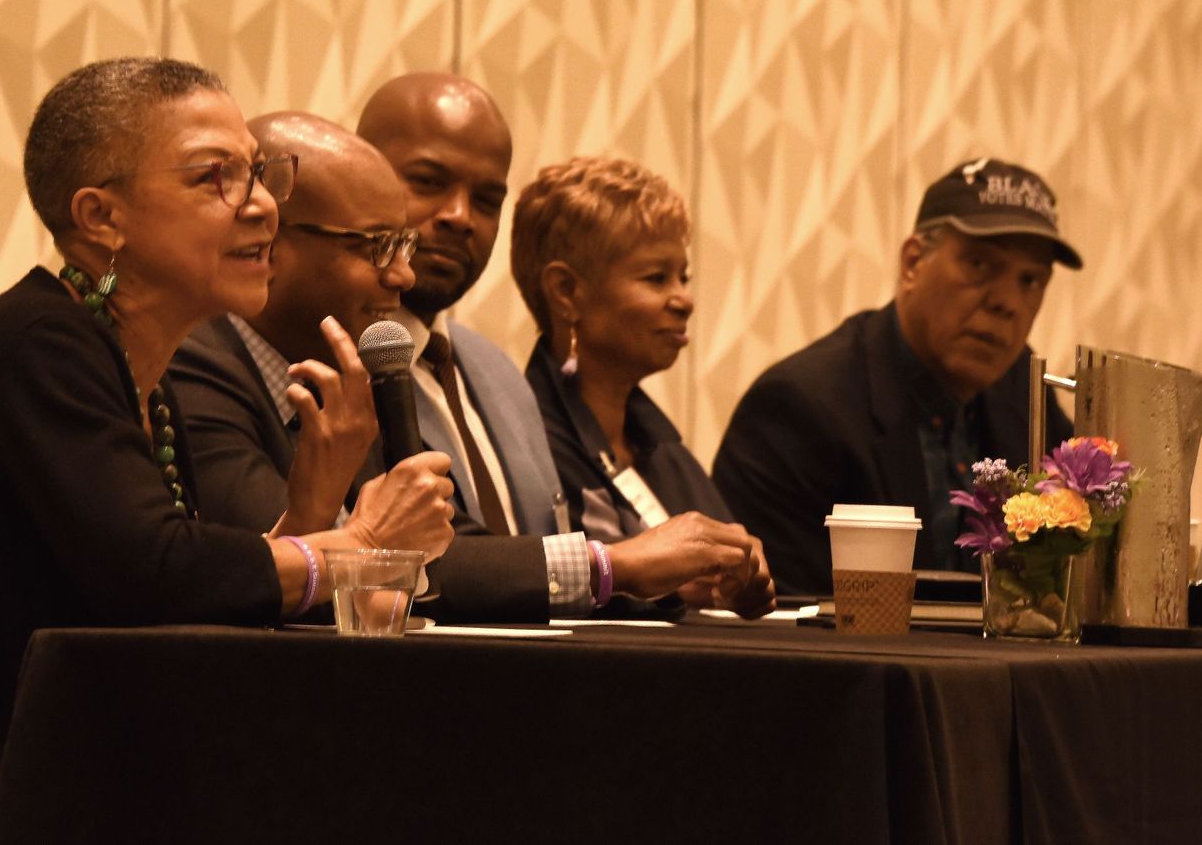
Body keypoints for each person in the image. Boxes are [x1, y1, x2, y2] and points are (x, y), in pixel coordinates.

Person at [0, 59, 454, 845]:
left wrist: (312, 511)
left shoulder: (137, 373)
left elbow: (178, 607)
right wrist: (352, 548)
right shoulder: (35, 349)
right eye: (215, 178)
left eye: (258, 174)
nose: (260, 209)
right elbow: (158, 572)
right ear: (101, 218)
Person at [353, 75, 771, 616]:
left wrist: (678, 580)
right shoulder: (337, 360)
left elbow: (545, 568)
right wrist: (621, 565)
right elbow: (425, 563)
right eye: (430, 182)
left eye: (486, 199)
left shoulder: (494, 373)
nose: (460, 216)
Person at [712, 157, 1081, 596]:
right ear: (912, 264)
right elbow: (784, 623)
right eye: (980, 265)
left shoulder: (1024, 395)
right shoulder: (800, 409)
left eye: (1031, 280)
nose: (1007, 301)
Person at [511, 156, 774, 617]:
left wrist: (739, 580)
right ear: (567, 292)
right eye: (656, 278)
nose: (685, 299)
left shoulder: (661, 445)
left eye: (683, 277)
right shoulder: (523, 444)